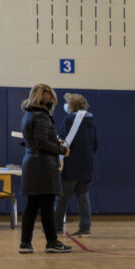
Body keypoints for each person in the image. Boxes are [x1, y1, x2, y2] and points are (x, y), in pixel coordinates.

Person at [18, 84, 72, 254]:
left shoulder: (28, 113)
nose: (51, 102)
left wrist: (55, 143)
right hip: (43, 165)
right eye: (49, 99)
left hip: (31, 162)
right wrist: (62, 150)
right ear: (42, 98)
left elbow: (34, 140)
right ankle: (52, 242)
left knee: (32, 205)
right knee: (47, 205)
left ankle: (25, 243)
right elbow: (41, 142)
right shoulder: (41, 116)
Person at [54, 93, 98, 236]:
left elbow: (62, 139)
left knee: (62, 198)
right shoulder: (91, 120)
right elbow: (95, 144)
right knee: (83, 197)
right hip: (86, 166)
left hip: (70, 165)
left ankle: (57, 227)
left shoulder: (69, 119)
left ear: (72, 105)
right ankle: (85, 228)